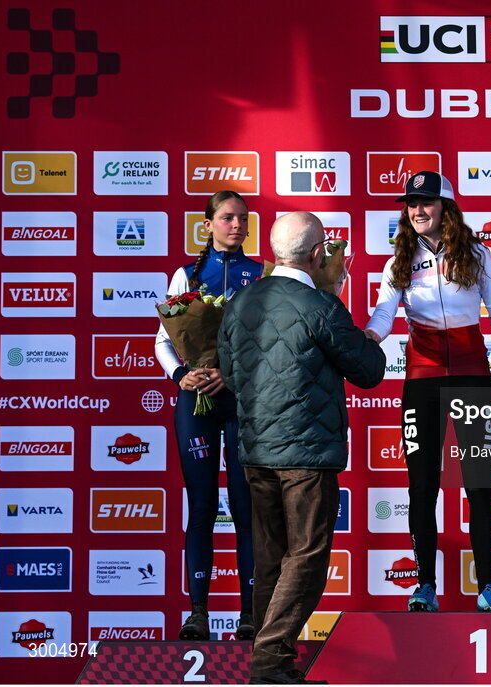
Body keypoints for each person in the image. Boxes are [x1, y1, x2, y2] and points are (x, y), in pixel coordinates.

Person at [218, 211, 385, 684]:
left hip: (254, 451)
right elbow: (370, 370)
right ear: (317, 255)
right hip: (307, 455)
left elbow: (229, 374)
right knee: (307, 556)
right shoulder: (320, 306)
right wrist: (356, 321)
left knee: (271, 554)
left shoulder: (240, 301)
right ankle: (270, 660)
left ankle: (268, 662)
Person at [365, 171, 491, 612]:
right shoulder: (398, 260)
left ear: (446, 207)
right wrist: (370, 338)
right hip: (422, 381)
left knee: (479, 485)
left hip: (472, 379)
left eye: (427, 202)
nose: (417, 210)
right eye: (411, 203)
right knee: (422, 485)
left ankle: (487, 586)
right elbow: (383, 313)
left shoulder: (476, 253)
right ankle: (425, 586)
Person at [155, 190, 262, 640]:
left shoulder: (261, 274)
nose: (236, 225)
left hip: (242, 401)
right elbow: (162, 339)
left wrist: (232, 374)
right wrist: (182, 373)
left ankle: (250, 616)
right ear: (209, 223)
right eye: (227, 218)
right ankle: (197, 614)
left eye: (242, 218)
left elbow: (267, 343)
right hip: (196, 400)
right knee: (200, 506)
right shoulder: (187, 273)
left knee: (245, 507)